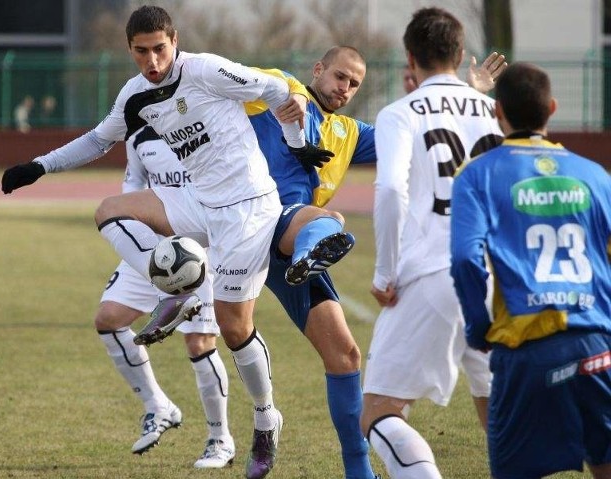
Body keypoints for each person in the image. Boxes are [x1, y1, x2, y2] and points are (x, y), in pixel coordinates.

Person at [0, 6, 331, 479]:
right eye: (141, 51)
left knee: (235, 329)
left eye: (160, 48)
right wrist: (38, 166)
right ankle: (176, 287)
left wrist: (297, 142)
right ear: (130, 50)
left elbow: (279, 90)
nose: (152, 60)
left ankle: (265, 418)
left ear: (174, 41)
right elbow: (98, 140)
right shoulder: (135, 95)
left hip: (248, 209)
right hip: (198, 202)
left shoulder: (206, 70)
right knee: (109, 210)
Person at [241, 46, 505, 479]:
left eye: (353, 84)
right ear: (318, 68)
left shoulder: (348, 132)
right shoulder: (275, 95)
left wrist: (466, 92)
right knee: (329, 222)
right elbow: (229, 75)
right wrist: (290, 90)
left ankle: (358, 473)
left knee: (345, 355)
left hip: (288, 243)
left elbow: (420, 136)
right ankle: (315, 242)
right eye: (339, 76)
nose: (344, 88)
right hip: (249, 224)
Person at [360, 8, 505, 479]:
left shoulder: (399, 113)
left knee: (379, 410)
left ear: (409, 57)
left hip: (434, 273)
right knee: (496, 413)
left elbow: (389, 191)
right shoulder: (492, 111)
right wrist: (474, 92)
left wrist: (385, 272)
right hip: (495, 275)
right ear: (461, 54)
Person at [450, 62, 611, 479]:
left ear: (496, 110)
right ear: (552, 108)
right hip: (597, 345)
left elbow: (466, 258)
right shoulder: (596, 176)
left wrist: (477, 328)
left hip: (525, 350)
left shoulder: (477, 175)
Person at [98, 124, 235, 466]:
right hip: (155, 251)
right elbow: (131, 189)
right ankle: (158, 406)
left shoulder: (203, 121)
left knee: (199, 342)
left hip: (199, 251)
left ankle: (220, 440)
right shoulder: (138, 135)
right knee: (109, 319)